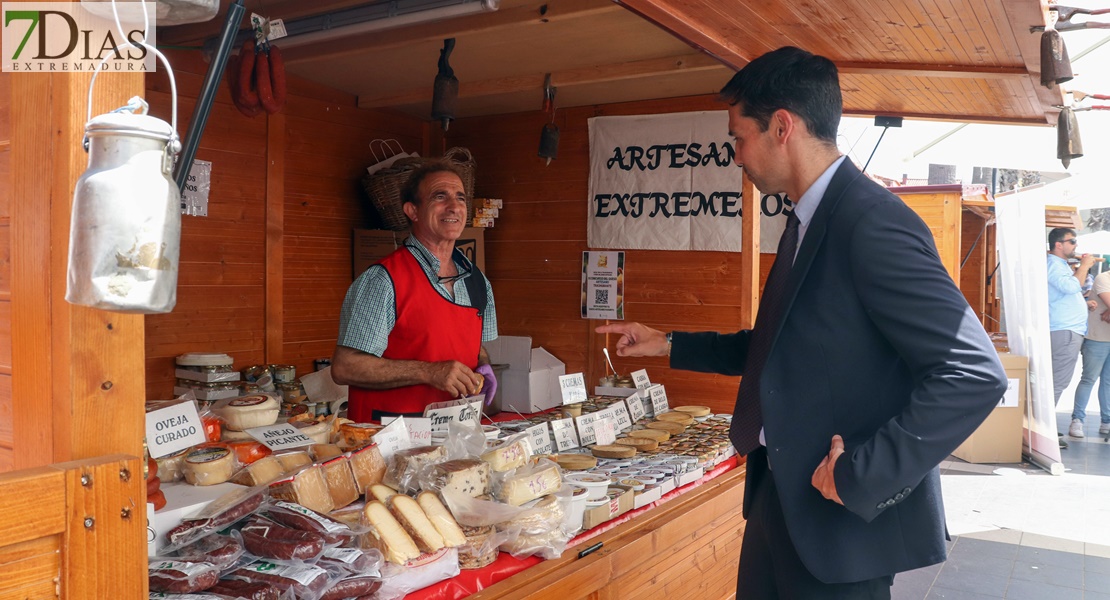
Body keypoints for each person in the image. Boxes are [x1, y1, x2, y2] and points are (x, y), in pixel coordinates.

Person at [597, 46, 1007, 599]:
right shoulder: (807, 220)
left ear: (782, 127)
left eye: (739, 138)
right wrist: (668, 343)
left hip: (838, 520)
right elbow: (776, 348)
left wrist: (862, 474)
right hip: (777, 499)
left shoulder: (871, 223)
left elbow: (973, 373)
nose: (736, 156)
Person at [331, 162, 498, 423]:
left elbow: (475, 346)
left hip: (453, 436)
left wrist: (483, 366)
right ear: (413, 211)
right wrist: (429, 372)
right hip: (390, 438)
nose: (454, 207)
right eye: (440, 196)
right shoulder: (384, 279)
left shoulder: (478, 281)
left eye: (460, 197)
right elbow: (345, 367)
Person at [1047, 228, 1097, 447]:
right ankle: (1046, 432)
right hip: (1064, 330)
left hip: (1066, 328)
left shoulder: (1059, 266)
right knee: (1058, 382)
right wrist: (1085, 266)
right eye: (1072, 241)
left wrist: (1083, 304)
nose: (1076, 245)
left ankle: (1045, 428)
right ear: (1059, 244)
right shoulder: (1053, 264)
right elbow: (1069, 286)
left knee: (1056, 381)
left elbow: (1061, 295)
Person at [1069, 267, 1110, 439]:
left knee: (1108, 381)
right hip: (1097, 338)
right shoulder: (1103, 278)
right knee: (1089, 379)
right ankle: (1077, 420)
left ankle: (1106, 421)